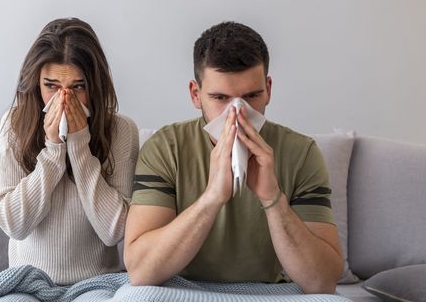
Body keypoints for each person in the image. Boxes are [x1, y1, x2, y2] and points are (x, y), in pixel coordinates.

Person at [124, 21, 343, 293]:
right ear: (196, 94)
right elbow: (141, 270)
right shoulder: (165, 148)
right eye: (220, 98)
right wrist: (212, 197)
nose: (237, 112)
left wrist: (272, 198)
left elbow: (322, 281)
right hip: (182, 290)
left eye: (252, 96)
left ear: (269, 90)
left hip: (270, 291)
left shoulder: (301, 153)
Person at [0, 18, 139, 285]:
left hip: (95, 283)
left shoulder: (121, 130)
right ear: (36, 83)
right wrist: (53, 150)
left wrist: (80, 145)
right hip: (27, 281)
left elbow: (113, 231)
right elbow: (13, 225)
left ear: (94, 86)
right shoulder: (13, 124)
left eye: (77, 87)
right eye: (51, 86)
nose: (64, 99)